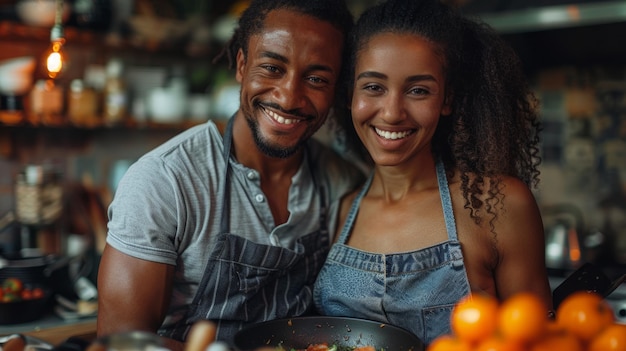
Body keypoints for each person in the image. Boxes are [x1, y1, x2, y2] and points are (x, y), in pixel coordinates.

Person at [96, 1, 362, 349]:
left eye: (316, 78)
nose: (289, 97)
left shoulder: (339, 182)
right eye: (271, 67)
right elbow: (121, 344)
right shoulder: (164, 181)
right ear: (241, 66)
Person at [313, 0, 553, 345]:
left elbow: (539, 339)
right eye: (373, 87)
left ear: (446, 99)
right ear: (350, 94)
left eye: (418, 90)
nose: (393, 113)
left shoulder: (497, 206)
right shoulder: (340, 206)